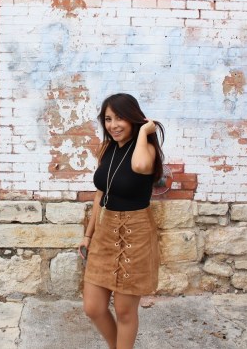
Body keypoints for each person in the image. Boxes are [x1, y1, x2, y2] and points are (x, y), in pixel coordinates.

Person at [80, 93, 165, 349]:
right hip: (105, 231)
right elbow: (100, 193)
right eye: (108, 119)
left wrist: (144, 133)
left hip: (135, 234)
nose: (113, 125)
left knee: (125, 311)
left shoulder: (146, 150)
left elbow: (138, 166)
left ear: (133, 119)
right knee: (93, 307)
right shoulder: (106, 149)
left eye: (120, 118)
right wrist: (88, 235)